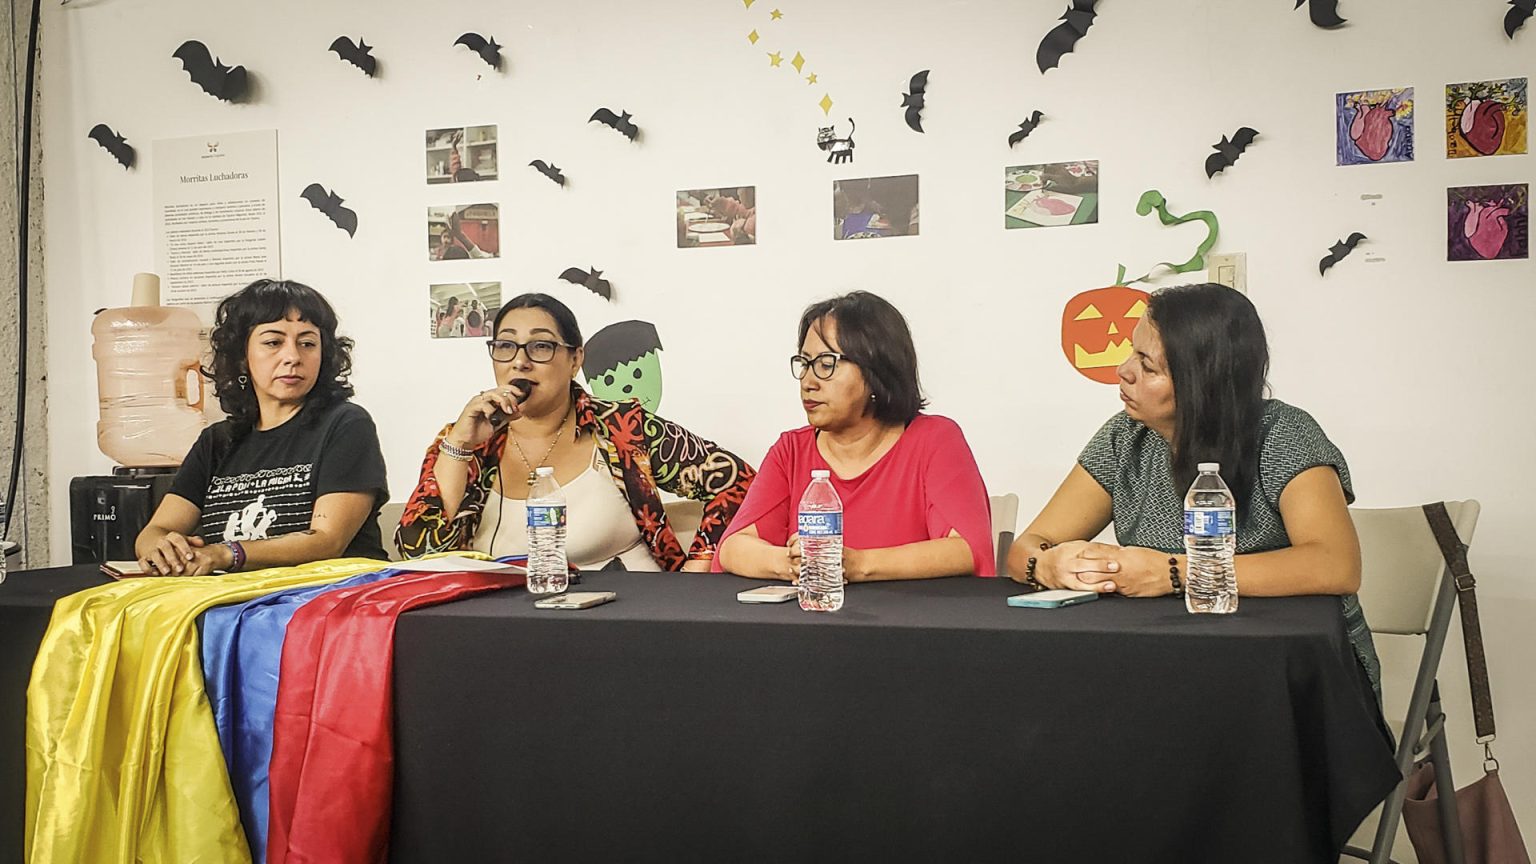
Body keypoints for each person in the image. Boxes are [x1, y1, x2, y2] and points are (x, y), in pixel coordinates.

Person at [1005, 282, 1381, 694]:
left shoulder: (1282, 434)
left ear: (1202, 381)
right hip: (1168, 662)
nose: (1123, 371)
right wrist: (1048, 565)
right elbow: (1029, 544)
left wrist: (1175, 573)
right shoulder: (1124, 438)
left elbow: (1337, 565)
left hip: (1289, 674)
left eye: (1148, 367)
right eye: (1132, 353)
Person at [397, 293, 756, 570]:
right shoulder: (465, 437)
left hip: (623, 622)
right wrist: (459, 445)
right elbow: (419, 555)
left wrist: (698, 567)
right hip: (502, 626)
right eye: (506, 346)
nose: (520, 361)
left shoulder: (622, 428)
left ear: (575, 359)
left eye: (540, 346)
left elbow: (738, 483)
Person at [716, 291, 994, 581]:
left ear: (877, 370)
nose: (809, 382)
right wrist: (791, 562)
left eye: (826, 365)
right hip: (811, 620)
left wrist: (859, 564)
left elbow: (966, 550)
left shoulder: (934, 440)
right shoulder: (791, 451)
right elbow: (734, 547)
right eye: (805, 364)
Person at [135, 279, 389, 576]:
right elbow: (156, 530)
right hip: (233, 604)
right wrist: (162, 548)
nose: (293, 357)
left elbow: (327, 542)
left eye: (307, 343)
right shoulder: (217, 441)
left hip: (331, 603)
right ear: (243, 356)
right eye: (273, 342)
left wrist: (225, 553)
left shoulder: (346, 425)